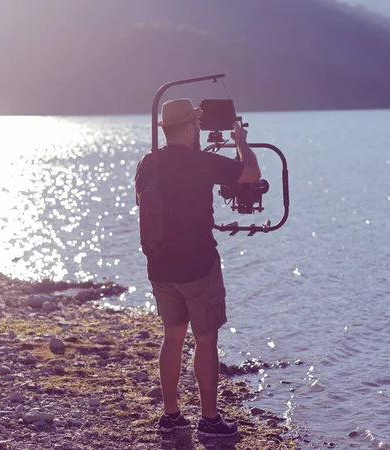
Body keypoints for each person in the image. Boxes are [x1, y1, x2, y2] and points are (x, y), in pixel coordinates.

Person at [134, 98, 261, 437]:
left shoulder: (148, 162)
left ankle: (171, 415)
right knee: (205, 340)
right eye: (197, 124)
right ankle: (209, 419)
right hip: (198, 267)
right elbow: (252, 172)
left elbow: (143, 202)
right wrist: (241, 143)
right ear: (190, 127)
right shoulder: (203, 162)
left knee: (172, 338)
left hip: (159, 267)